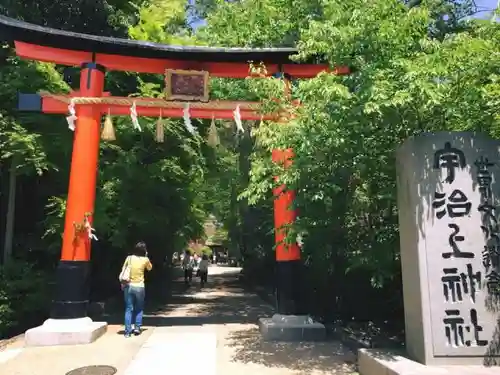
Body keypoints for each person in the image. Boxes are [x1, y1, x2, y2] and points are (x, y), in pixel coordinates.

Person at [121, 241, 152, 338]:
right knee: (139, 308)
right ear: (144, 250)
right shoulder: (145, 260)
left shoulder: (129, 258)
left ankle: (127, 332)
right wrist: (146, 256)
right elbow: (150, 268)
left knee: (128, 308)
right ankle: (137, 328)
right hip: (140, 286)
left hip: (129, 286)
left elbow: (123, 270)